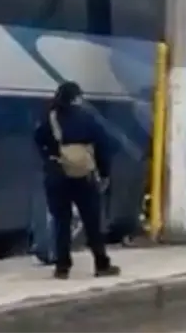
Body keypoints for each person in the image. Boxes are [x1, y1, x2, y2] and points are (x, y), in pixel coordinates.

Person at [33, 81, 121, 279]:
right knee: (92, 221)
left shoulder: (49, 117)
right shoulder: (87, 118)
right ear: (76, 98)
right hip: (84, 177)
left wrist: (52, 160)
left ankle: (62, 267)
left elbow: (39, 140)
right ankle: (101, 263)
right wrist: (105, 174)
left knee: (61, 221)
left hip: (56, 175)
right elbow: (103, 146)